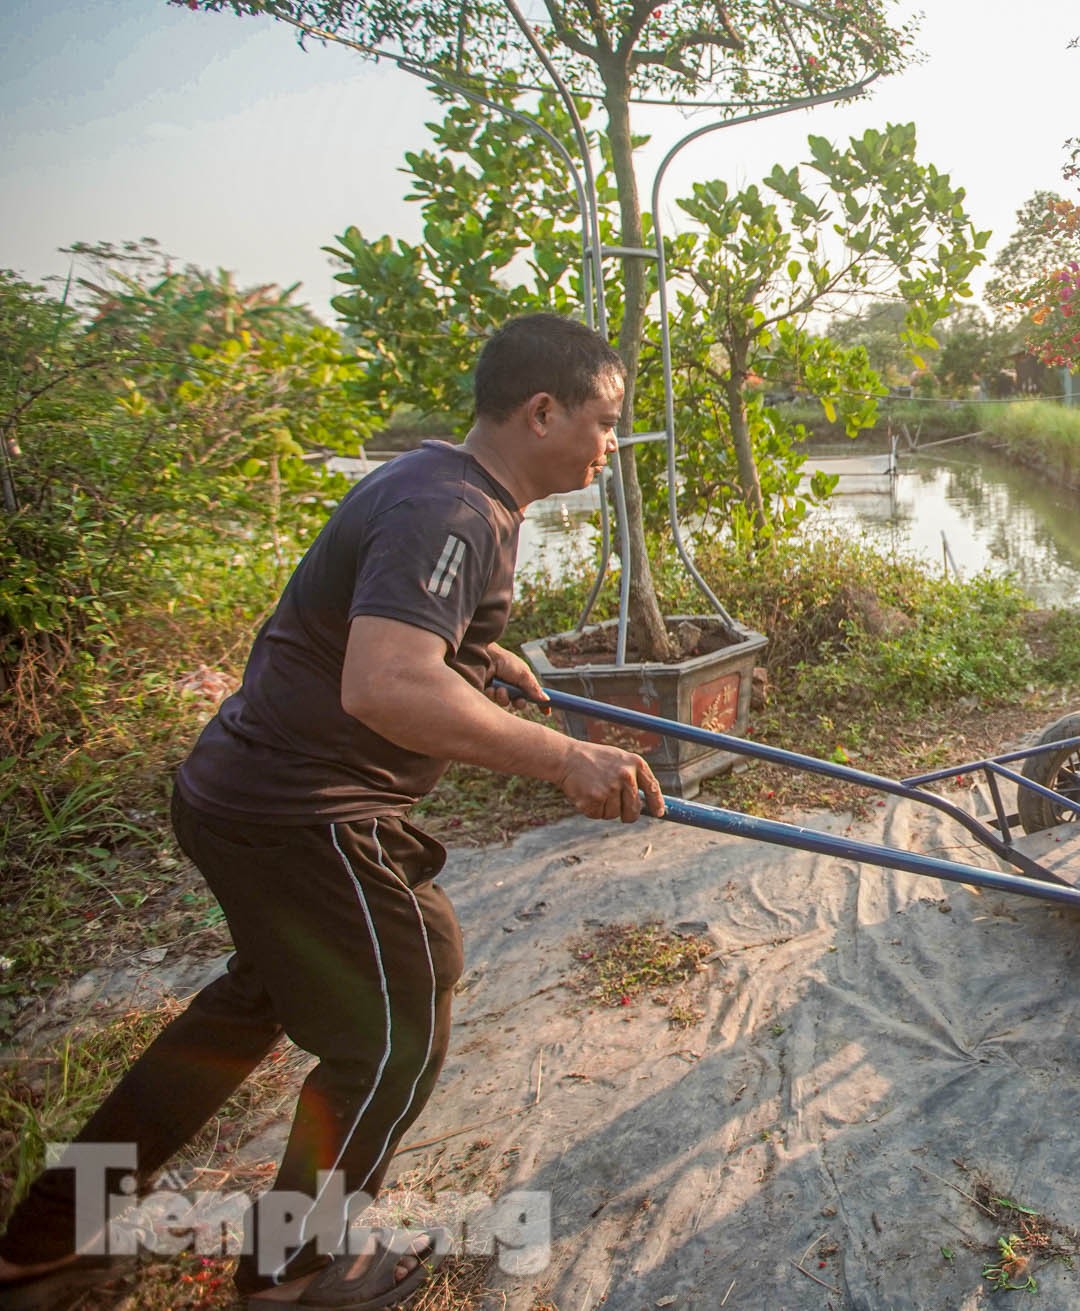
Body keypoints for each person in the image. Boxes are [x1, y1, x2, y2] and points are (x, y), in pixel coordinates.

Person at [0, 314, 661, 1309]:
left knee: (254, 1002)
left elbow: (394, 630)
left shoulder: (434, 481)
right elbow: (387, 685)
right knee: (393, 1030)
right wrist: (565, 757)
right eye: (604, 422)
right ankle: (292, 1270)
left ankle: (49, 1233)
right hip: (305, 810)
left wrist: (479, 658)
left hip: (239, 790)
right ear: (541, 412)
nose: (609, 446)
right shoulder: (456, 510)